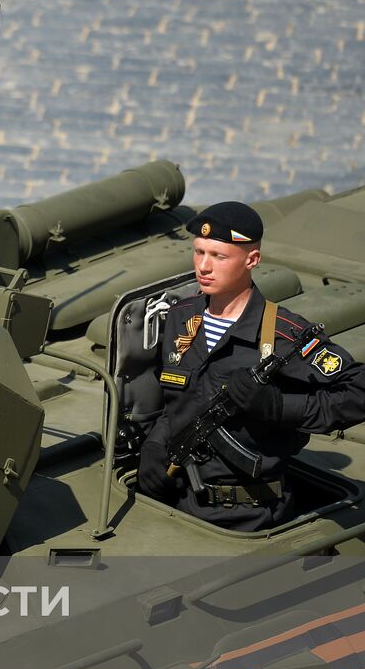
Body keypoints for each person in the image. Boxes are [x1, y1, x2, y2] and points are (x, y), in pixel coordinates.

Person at [137, 202, 365, 530]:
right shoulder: (180, 318)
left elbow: (358, 391)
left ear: (252, 260)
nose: (204, 266)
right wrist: (156, 445)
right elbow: (174, 402)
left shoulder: (284, 334)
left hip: (250, 516)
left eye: (219, 256)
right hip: (180, 503)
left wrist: (278, 406)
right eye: (199, 252)